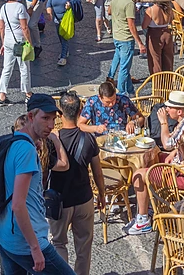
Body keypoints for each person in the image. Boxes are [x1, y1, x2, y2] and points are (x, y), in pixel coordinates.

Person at [0, 94, 77, 275]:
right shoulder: (27, 151)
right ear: (31, 117)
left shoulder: (15, 140)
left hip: (3, 232)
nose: (51, 125)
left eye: (54, 119)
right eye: (45, 118)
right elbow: (18, 204)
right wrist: (35, 248)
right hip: (24, 241)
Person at [127, 91, 184, 235]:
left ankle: (143, 220)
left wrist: (163, 122)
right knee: (151, 157)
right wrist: (174, 153)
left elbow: (167, 143)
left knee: (139, 175)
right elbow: (181, 142)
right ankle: (150, 203)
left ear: (178, 111)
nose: (166, 110)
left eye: (169, 107)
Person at [50, 92, 104, 275]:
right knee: (84, 247)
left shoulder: (53, 139)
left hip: (60, 200)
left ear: (59, 113)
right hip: (84, 199)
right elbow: (97, 172)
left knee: (58, 243)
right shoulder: (89, 139)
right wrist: (102, 194)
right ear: (80, 110)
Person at [0, 0, 36, 108]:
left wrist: (3, 43)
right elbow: (24, 27)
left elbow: (1, 27)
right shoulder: (20, 7)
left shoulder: (3, 8)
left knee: (6, 68)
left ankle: (2, 95)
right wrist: (29, 42)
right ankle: (28, 93)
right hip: (19, 41)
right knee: (24, 68)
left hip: (8, 40)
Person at [108, 0, 144, 98]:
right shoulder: (129, 3)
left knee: (123, 63)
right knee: (124, 68)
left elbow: (109, 11)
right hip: (126, 39)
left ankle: (130, 89)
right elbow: (132, 25)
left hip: (116, 36)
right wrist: (140, 42)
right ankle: (121, 94)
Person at [77, 80, 142, 135]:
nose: (111, 104)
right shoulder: (92, 102)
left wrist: (133, 122)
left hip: (121, 136)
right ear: (100, 97)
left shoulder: (123, 100)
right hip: (101, 138)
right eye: (107, 102)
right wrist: (96, 128)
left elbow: (141, 118)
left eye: (113, 100)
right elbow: (80, 124)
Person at [46, 0, 79, 68]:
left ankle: (63, 57)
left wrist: (70, 3)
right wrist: (49, 12)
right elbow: (49, 4)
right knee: (60, 36)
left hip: (66, 18)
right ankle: (65, 50)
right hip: (57, 18)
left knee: (64, 37)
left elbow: (76, 0)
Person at [142, 0, 173, 75]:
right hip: (167, 33)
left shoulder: (151, 9)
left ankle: (157, 82)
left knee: (155, 60)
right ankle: (168, 81)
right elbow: (171, 20)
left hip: (154, 34)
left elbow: (144, 26)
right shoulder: (169, 9)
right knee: (168, 59)